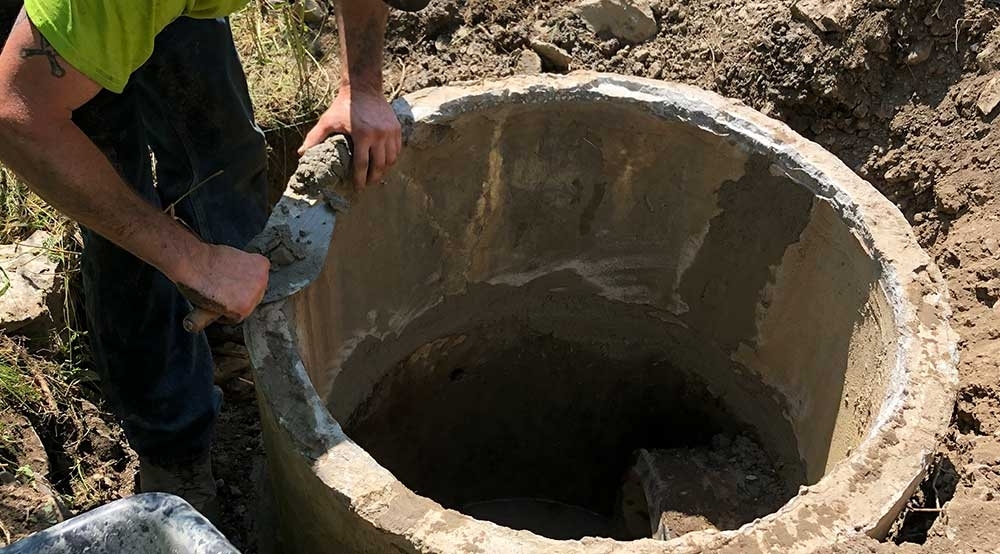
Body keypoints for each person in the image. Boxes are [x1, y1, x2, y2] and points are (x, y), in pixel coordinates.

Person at [0, 0, 428, 519]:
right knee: (127, 238)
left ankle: (235, 321)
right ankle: (173, 443)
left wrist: (360, 86)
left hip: (150, 10)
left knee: (224, 149)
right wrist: (188, 260)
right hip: (56, 34)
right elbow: (18, 114)